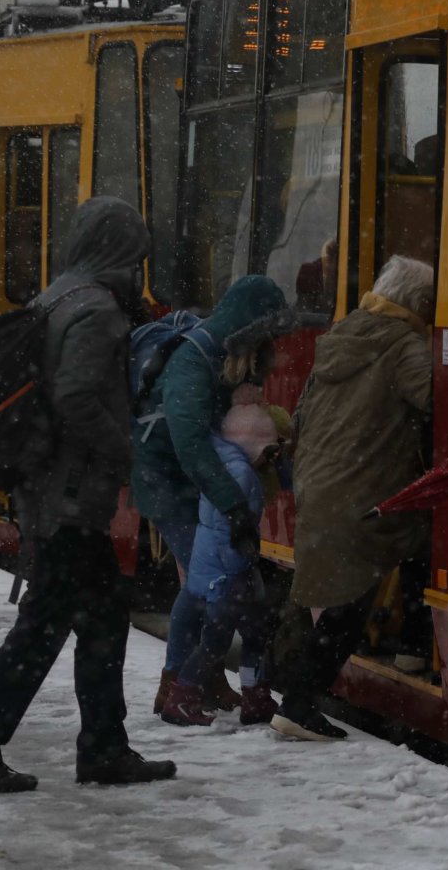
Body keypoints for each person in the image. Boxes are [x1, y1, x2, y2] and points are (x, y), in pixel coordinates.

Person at [0, 196, 175, 793]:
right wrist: (125, 448)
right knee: (44, 623)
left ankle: (104, 746)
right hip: (69, 492)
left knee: (103, 616)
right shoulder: (96, 308)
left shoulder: (59, 293)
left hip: (50, 484)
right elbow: (74, 396)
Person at [271, 256, 436, 742]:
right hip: (363, 492)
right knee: (350, 602)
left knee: (320, 594)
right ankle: (300, 705)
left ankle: (279, 686)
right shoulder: (405, 346)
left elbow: (303, 414)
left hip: (320, 483)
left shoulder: (344, 333)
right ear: (421, 304)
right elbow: (437, 401)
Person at [131, 274, 295, 717]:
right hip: (168, 481)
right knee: (205, 587)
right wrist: (233, 504)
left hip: (192, 480)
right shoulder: (193, 361)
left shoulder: (221, 355)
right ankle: (175, 686)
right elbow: (190, 443)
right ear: (248, 329)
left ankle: (202, 680)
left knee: (209, 584)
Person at [161, 385, 289, 728]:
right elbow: (227, 531)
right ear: (255, 444)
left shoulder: (225, 463)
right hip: (228, 574)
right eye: (270, 450)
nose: (272, 458)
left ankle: (254, 696)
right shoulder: (241, 473)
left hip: (224, 570)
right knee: (216, 642)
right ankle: (182, 699)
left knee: (254, 632)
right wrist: (237, 571)